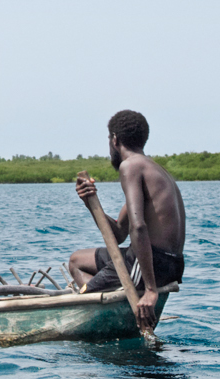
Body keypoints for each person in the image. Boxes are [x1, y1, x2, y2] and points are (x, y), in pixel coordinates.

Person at [68, 109, 186, 330]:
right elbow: (119, 233)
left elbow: (139, 228)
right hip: (169, 263)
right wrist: (90, 201)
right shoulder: (153, 169)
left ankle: (107, 306)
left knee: (84, 298)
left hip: (154, 262)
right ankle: (113, 299)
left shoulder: (130, 166)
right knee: (76, 260)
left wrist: (151, 289)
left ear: (115, 140)